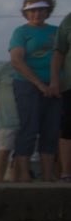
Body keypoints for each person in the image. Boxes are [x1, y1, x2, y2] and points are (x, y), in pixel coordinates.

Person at [8, 0, 60, 182]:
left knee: (51, 129)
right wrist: (39, 84)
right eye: (32, 10)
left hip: (55, 86)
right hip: (27, 85)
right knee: (29, 128)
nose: (36, 14)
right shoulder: (21, 32)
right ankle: (24, 174)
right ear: (25, 13)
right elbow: (16, 60)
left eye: (40, 10)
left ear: (48, 11)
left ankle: (48, 175)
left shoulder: (56, 31)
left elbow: (62, 57)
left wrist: (54, 82)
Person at [49, 10, 71, 182]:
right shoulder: (68, 20)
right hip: (70, 84)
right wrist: (55, 80)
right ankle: (66, 173)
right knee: (68, 128)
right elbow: (58, 53)